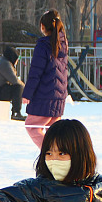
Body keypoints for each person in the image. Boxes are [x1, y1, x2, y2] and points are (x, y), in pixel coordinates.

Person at [21, 10, 69, 148]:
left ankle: (51, 154)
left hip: (44, 95)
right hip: (59, 95)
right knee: (52, 131)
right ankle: (58, 156)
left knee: (32, 126)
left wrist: (27, 94)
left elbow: (36, 72)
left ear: (42, 26)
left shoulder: (43, 45)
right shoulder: (63, 43)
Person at [0, 46, 25, 120]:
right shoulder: (5, 64)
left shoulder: (5, 62)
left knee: (17, 87)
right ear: (13, 57)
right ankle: (17, 113)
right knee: (18, 87)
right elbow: (15, 81)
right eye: (18, 59)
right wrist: (27, 88)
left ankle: (15, 112)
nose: (17, 61)